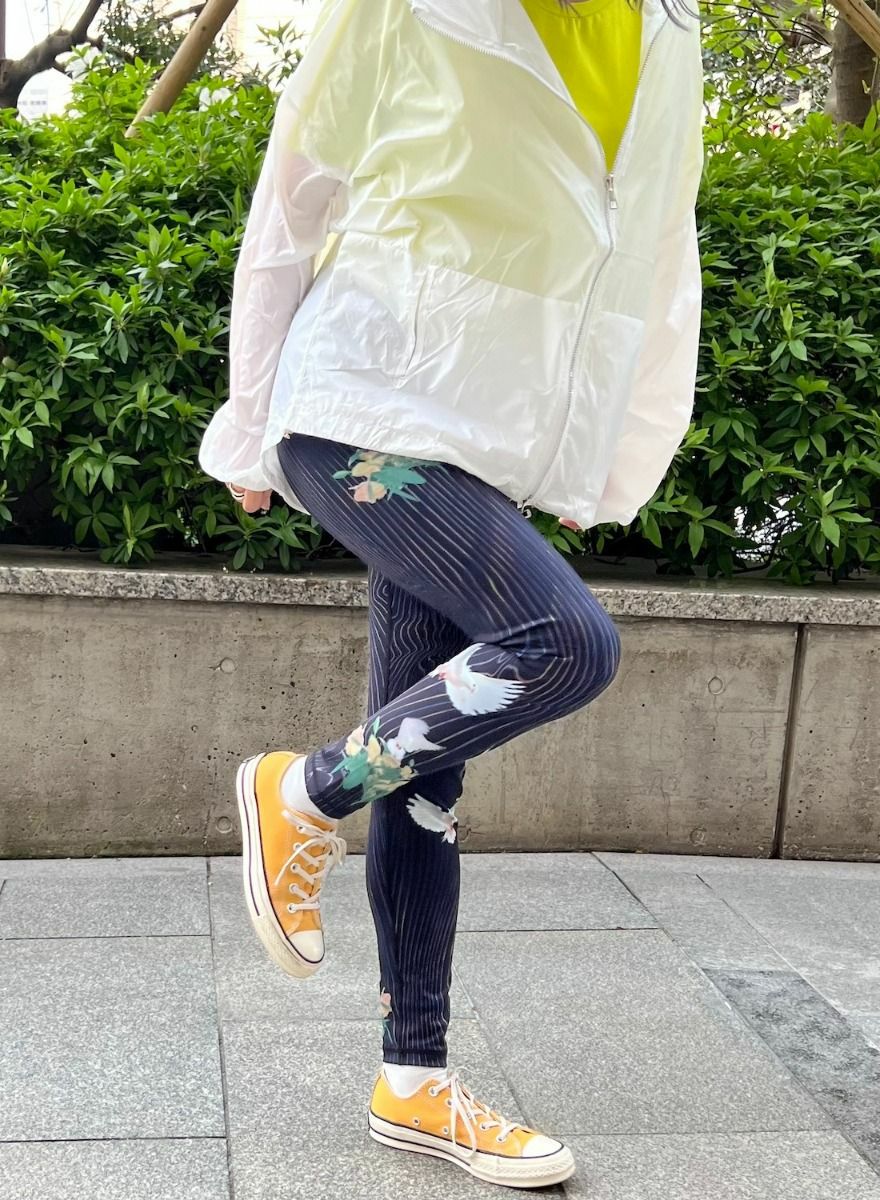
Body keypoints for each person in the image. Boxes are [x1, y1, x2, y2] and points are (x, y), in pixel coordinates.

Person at [198, 0, 704, 1187]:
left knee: (426, 776)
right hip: (363, 398)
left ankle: (413, 1082)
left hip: (493, 431)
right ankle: (301, 790)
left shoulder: (671, 27)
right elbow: (293, 199)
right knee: (565, 641)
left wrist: (609, 450)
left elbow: (656, 253)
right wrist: (248, 421)